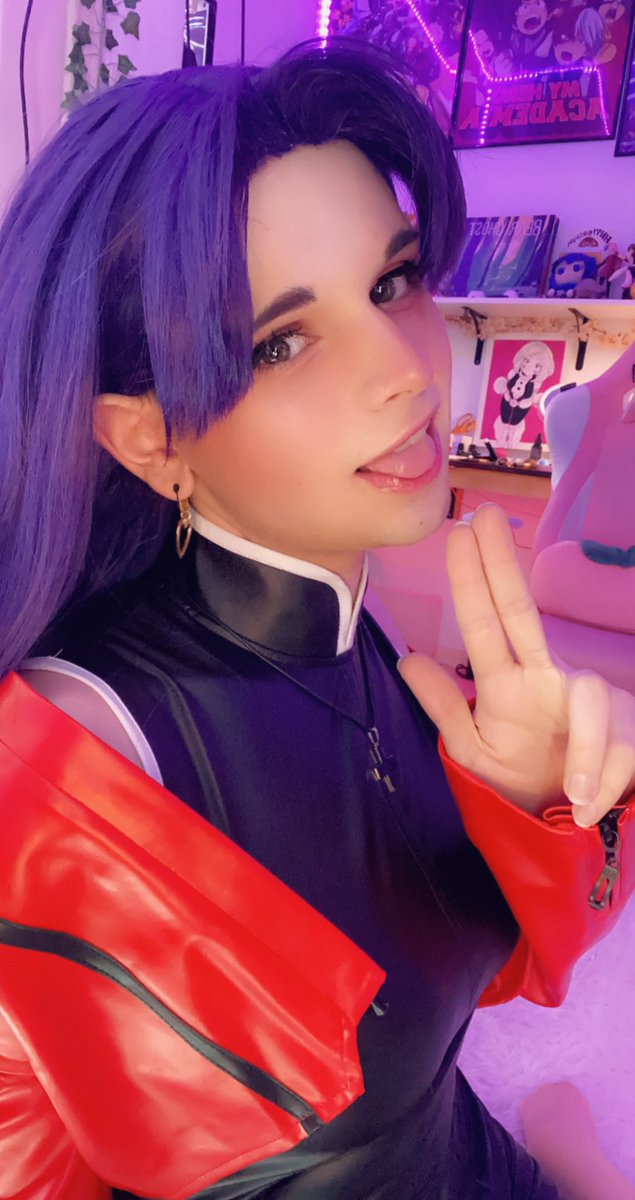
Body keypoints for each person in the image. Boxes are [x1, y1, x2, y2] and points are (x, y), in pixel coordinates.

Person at [0, 37, 634, 1200]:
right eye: (280, 342)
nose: (405, 368)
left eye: (391, 282)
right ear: (149, 439)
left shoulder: (371, 635)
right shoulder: (63, 773)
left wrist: (541, 804)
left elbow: (503, 969)